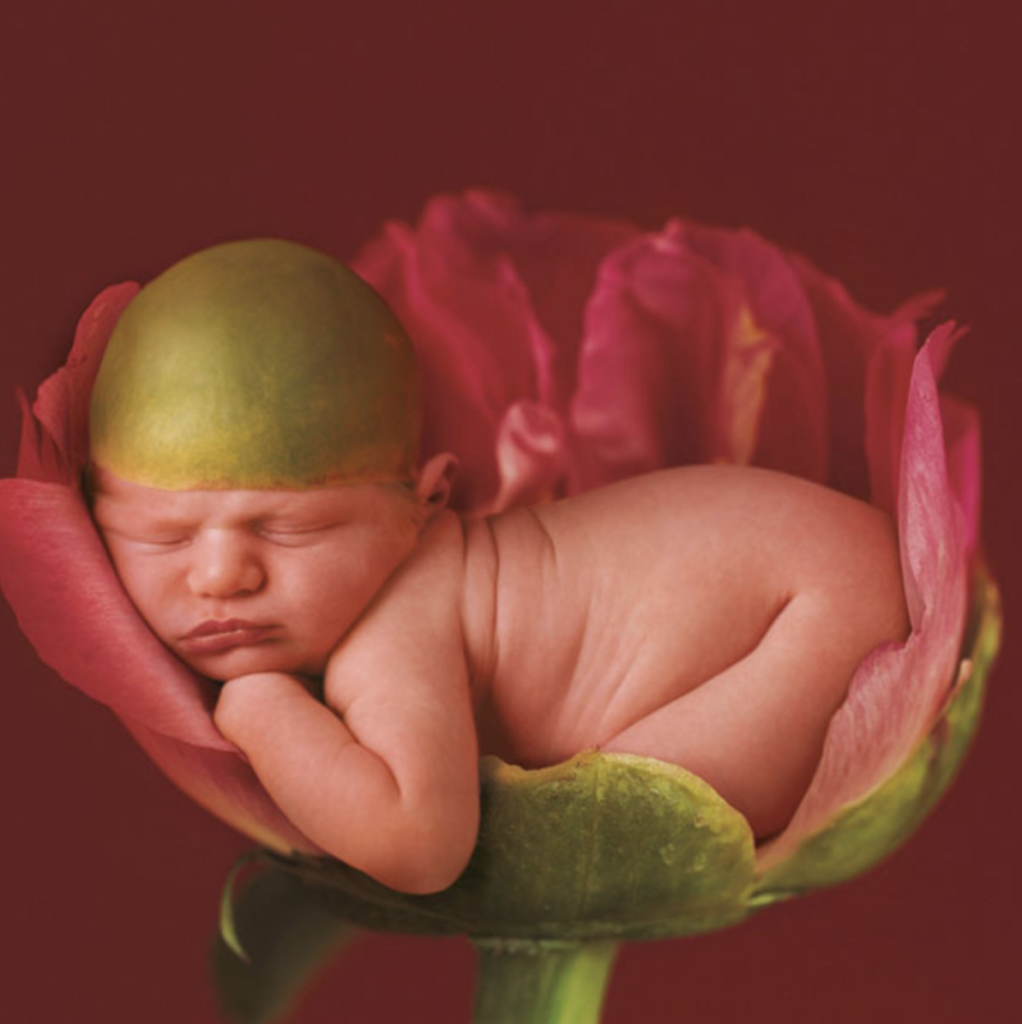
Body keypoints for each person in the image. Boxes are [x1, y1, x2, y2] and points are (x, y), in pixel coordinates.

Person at [88, 239, 910, 895]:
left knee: (619, 814)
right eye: (164, 539)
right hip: (828, 562)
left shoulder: (396, 631)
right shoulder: (411, 580)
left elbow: (418, 847)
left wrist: (260, 709)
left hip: (822, 609)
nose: (222, 576)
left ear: (426, 501)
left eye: (291, 529)